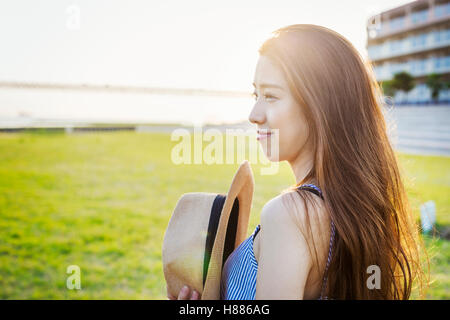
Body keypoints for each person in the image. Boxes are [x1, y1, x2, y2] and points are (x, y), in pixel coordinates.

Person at [168, 24, 427, 300]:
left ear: (319, 106)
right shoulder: (356, 212)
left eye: (271, 96)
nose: (254, 114)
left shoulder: (289, 214)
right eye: (256, 95)